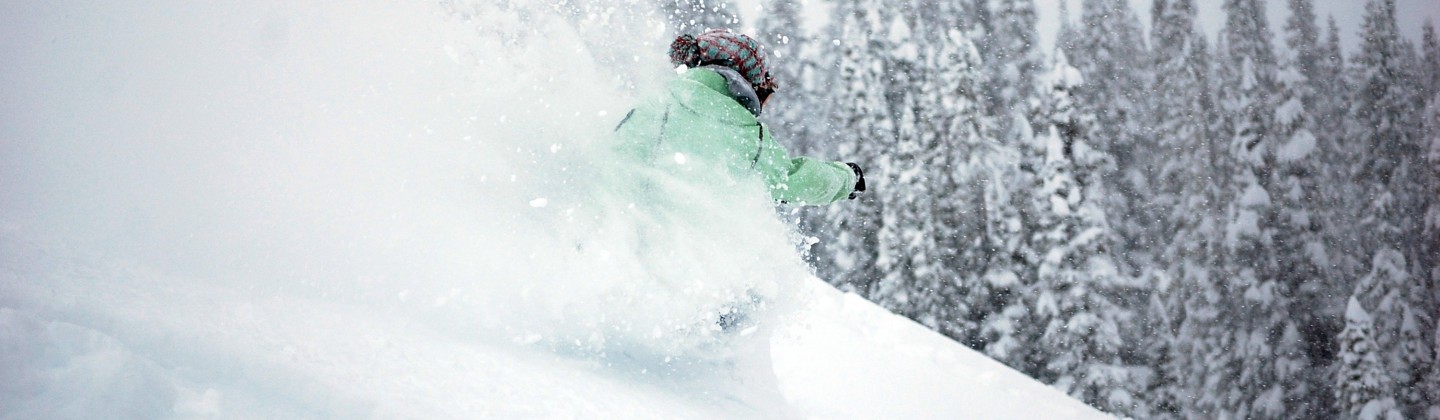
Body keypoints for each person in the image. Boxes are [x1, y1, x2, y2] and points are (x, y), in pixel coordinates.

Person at [611, 28, 865, 206]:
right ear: (749, 85)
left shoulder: (656, 100)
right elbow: (791, 182)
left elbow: (614, 151)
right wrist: (846, 178)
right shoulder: (746, 133)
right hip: (689, 263)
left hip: (626, 241)